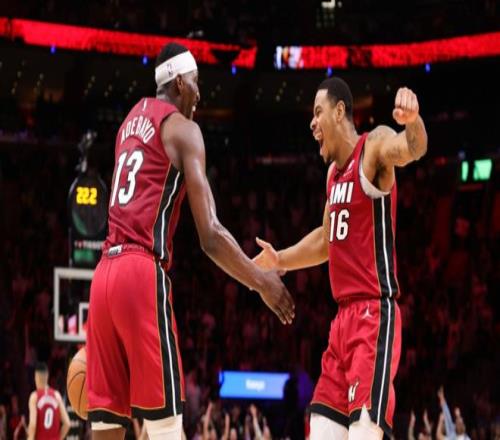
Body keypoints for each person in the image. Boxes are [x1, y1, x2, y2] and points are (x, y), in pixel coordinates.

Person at [86, 42, 294, 440]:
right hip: (139, 272)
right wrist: (261, 283)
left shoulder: (127, 124)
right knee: (166, 427)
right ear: (180, 82)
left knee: (106, 427)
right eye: (197, 82)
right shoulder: (184, 130)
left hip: (103, 275)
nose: (200, 94)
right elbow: (210, 234)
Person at [253, 77, 428, 439]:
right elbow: (325, 239)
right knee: (319, 428)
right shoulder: (333, 175)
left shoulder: (373, 146)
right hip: (342, 323)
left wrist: (413, 121)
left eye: (317, 113)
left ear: (339, 111)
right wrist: (279, 259)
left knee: (364, 431)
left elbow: (412, 148)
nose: (312, 123)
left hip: (373, 316)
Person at [27, 362, 70, 440]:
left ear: (36, 377)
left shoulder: (34, 397)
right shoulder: (57, 395)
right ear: (47, 376)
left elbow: (33, 425)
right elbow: (67, 423)